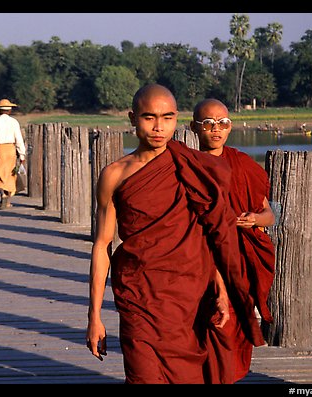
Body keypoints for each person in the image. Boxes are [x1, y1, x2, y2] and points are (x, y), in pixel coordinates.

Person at [85, 84, 265, 384]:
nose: (159, 127)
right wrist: (94, 316)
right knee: (143, 375)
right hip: (138, 293)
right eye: (149, 117)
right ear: (132, 119)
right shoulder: (114, 175)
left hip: (188, 296)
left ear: (177, 119)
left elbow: (216, 235)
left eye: (167, 117)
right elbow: (102, 245)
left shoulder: (194, 167)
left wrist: (221, 290)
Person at [191, 98, 276, 382]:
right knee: (210, 328)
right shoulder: (189, 168)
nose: (216, 129)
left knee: (235, 332)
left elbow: (269, 215)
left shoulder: (241, 164)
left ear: (230, 127)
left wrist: (253, 219)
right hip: (202, 260)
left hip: (240, 261)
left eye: (223, 123)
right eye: (208, 123)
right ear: (194, 128)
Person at [0, 98, 27, 210]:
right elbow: (19, 139)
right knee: (10, 174)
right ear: (9, 111)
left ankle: (2, 194)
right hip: (11, 150)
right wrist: (22, 154)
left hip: (0, 149)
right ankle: (8, 200)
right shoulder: (14, 122)